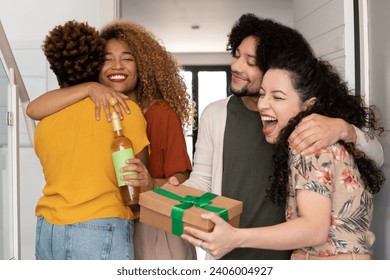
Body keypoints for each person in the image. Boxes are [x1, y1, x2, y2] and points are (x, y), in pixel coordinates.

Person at [170, 13, 384, 260]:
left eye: (250, 61)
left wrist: (343, 128)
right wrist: (178, 193)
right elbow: (203, 180)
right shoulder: (216, 114)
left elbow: (375, 158)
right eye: (236, 55)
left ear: (274, 68)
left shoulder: (312, 135)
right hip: (229, 255)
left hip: (285, 254)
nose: (237, 66)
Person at [27, 19, 196, 260]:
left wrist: (151, 184)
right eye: (107, 59)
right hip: (110, 225)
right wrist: (89, 89)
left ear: (142, 66)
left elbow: (179, 179)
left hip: (152, 226)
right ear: (94, 66)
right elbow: (33, 108)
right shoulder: (111, 109)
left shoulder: (158, 113)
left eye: (127, 58)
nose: (117, 65)